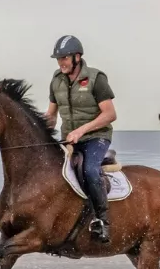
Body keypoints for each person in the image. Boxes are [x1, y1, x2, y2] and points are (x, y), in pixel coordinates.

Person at [45, 35, 117, 243]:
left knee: (89, 171)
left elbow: (110, 114)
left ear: (77, 57)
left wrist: (81, 130)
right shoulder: (56, 80)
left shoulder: (96, 78)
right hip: (69, 140)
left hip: (96, 138)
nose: (61, 63)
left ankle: (103, 221)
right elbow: (51, 115)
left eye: (65, 58)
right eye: (58, 59)